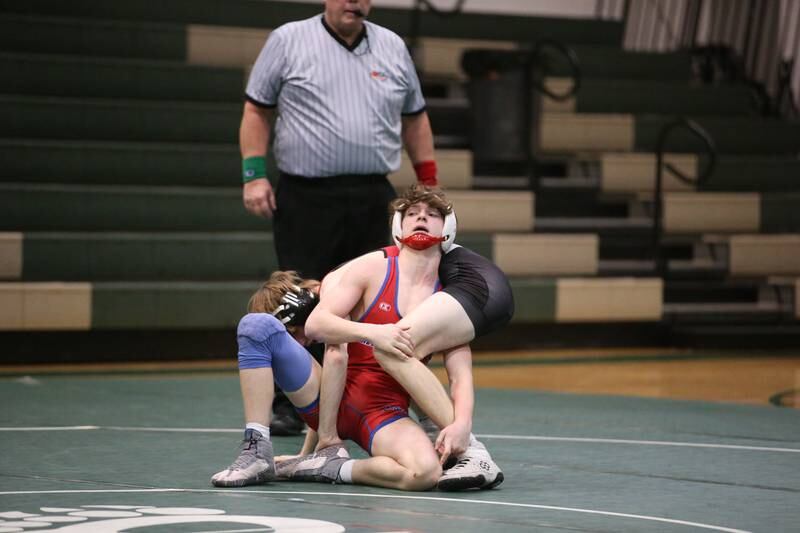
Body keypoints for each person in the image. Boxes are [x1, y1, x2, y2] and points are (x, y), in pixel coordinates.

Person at [239, 0, 439, 435]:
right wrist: (254, 175)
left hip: (372, 193)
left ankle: (387, 394)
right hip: (306, 193)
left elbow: (416, 118)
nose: (355, 3)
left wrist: (428, 183)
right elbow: (257, 109)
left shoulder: (392, 46)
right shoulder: (288, 40)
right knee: (301, 296)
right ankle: (291, 402)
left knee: (382, 295)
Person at [280, 186, 507, 490]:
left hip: (383, 410)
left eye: (432, 214)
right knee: (271, 332)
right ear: (398, 226)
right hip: (327, 397)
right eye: (412, 213)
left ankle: (336, 469)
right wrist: (376, 332)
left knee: (425, 474)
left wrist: (462, 425)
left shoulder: (447, 299)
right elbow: (319, 328)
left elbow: (460, 375)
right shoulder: (372, 267)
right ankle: (260, 445)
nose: (421, 218)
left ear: (448, 228)